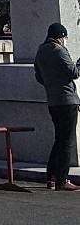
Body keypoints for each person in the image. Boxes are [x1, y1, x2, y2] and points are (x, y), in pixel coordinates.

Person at [34, 22, 80, 191]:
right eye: (65, 37)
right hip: (67, 100)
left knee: (59, 139)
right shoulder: (59, 51)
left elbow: (38, 76)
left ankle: (51, 177)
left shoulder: (41, 51)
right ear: (60, 37)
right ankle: (62, 179)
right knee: (67, 141)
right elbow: (73, 73)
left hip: (52, 100)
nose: (65, 40)